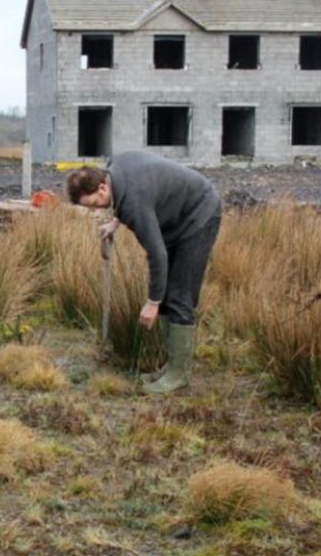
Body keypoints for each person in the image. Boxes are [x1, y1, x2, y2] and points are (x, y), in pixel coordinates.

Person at [66, 151, 222, 394]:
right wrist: (115, 222)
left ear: (102, 187)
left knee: (180, 296)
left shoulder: (134, 205)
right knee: (170, 293)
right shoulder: (113, 166)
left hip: (199, 213)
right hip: (176, 213)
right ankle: (171, 367)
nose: (97, 210)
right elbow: (130, 194)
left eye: (96, 204)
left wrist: (152, 302)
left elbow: (157, 254)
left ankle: (179, 375)